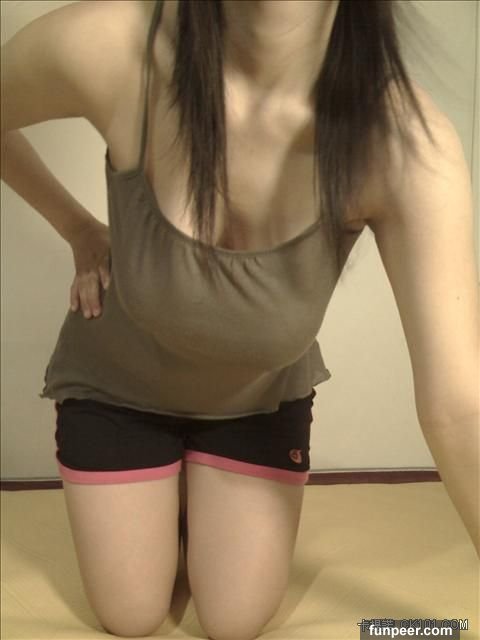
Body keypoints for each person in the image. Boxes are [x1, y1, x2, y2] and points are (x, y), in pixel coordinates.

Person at [1, 1, 478, 638]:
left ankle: (189, 493)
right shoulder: (112, 45)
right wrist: (78, 228)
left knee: (235, 622)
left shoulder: (403, 143)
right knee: (130, 616)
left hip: (256, 404)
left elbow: (459, 408)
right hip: (117, 388)